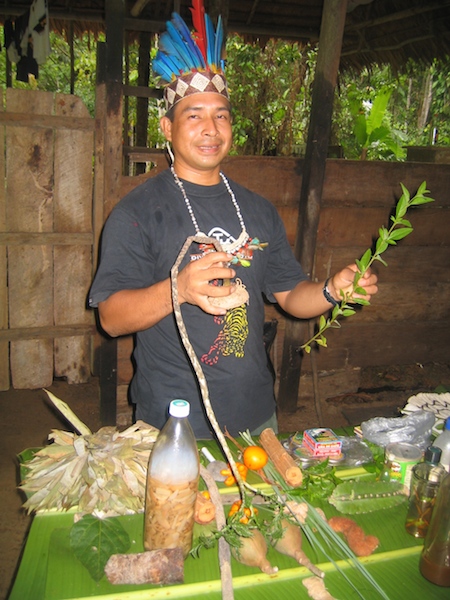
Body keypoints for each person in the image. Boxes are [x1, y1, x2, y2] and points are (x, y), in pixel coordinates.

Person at [89, 4, 378, 439]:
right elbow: (110, 319)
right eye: (194, 115)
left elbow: (289, 295)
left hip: (256, 416)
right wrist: (179, 289)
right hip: (174, 421)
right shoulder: (136, 213)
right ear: (167, 129)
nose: (211, 127)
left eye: (221, 115)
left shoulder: (257, 209)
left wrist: (330, 291)